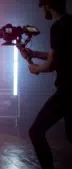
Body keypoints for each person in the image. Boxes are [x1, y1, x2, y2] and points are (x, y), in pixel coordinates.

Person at [19, 0, 71, 168]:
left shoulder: (57, 27)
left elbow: (51, 65)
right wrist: (33, 53)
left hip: (68, 91)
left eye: (42, 7)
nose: (42, 12)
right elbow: (57, 57)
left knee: (35, 132)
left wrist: (35, 69)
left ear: (48, 5)